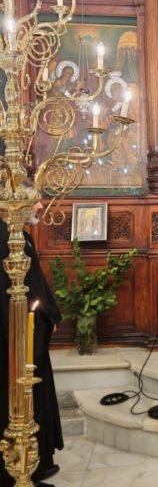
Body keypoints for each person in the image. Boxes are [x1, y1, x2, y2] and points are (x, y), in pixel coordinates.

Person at [0, 196, 63, 486]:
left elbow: (37, 284)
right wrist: (47, 317)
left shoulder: (21, 236)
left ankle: (37, 461)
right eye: (33, 200)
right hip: (16, 336)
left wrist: (50, 315)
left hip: (29, 329)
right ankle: (20, 470)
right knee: (20, 397)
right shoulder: (8, 239)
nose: (39, 206)